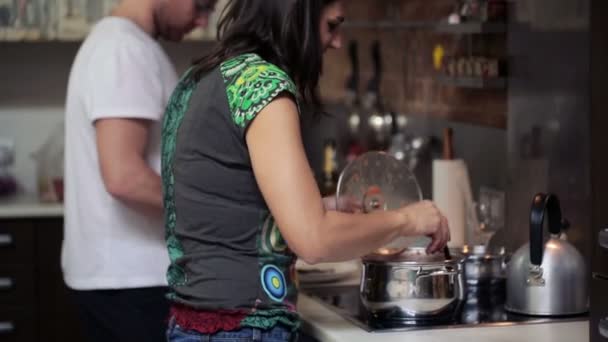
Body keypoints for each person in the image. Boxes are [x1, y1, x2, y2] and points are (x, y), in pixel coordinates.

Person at [161, 0, 451, 341]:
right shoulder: (262, 85)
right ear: (298, 16)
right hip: (246, 329)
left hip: (194, 323)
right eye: (331, 25)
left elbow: (222, 206)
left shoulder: (201, 78)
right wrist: (409, 219)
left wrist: (317, 207)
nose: (338, 41)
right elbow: (315, 240)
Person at [62, 1, 216, 341]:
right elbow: (124, 177)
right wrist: (214, 211)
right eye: (201, 5)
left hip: (124, 280)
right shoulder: (123, 49)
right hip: (133, 283)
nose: (203, 19)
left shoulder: (125, 45)